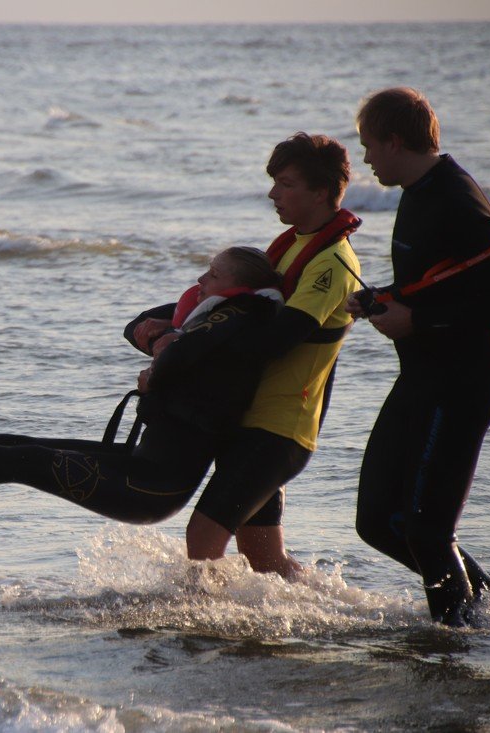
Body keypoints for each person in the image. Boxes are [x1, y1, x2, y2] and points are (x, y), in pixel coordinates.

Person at [0, 247, 284, 525]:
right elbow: (136, 324)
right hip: (136, 463)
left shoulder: (236, 321)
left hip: (151, 489)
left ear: (237, 287)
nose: (200, 279)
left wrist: (162, 358)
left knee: (26, 460)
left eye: (212, 273)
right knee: (16, 442)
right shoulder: (210, 315)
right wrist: (161, 341)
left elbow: (176, 361)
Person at [348, 88, 490, 626]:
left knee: (427, 529)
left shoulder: (454, 197)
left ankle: (454, 647)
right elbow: (440, 283)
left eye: (369, 146)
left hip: (461, 383)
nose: (366, 159)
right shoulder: (418, 190)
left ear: (395, 141)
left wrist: (416, 319)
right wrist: (385, 298)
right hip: (423, 377)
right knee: (379, 519)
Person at [168, 132, 362, 578]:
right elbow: (241, 308)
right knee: (264, 559)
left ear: (320, 192)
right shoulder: (294, 242)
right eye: (274, 181)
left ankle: (197, 631)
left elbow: (277, 339)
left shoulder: (332, 261)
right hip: (253, 420)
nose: (273, 193)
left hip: (280, 429)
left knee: (203, 536)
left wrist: (191, 347)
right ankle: (335, 610)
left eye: (286, 184)